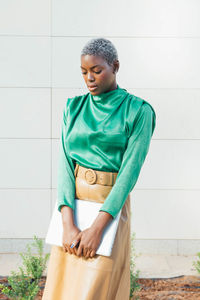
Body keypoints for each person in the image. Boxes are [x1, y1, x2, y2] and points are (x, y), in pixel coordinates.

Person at [42, 37, 156, 300]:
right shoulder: (73, 107)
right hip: (73, 211)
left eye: (97, 70)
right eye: (84, 72)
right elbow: (65, 165)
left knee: (97, 291)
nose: (89, 78)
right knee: (62, 291)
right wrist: (67, 223)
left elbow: (129, 173)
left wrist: (97, 229)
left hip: (109, 211)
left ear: (115, 66)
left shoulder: (138, 111)